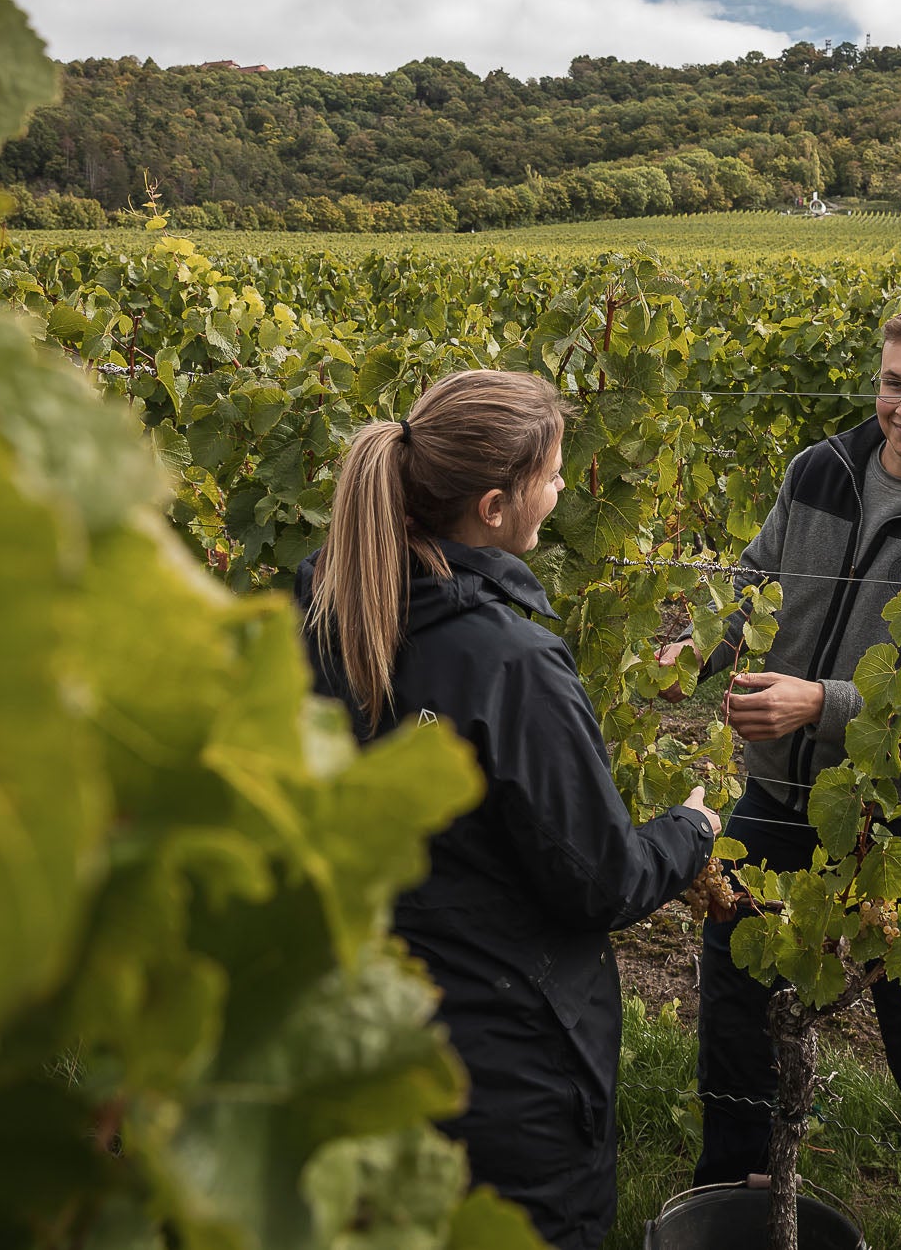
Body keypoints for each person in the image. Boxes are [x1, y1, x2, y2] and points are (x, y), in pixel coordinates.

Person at [659, 300, 901, 1250]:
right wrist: (696, 645)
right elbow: (755, 580)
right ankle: (734, 1216)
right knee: (737, 1029)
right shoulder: (819, 470)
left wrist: (818, 702)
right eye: (891, 382)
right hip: (772, 802)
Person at [296, 368, 719, 1250]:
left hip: (355, 1038)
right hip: (501, 1079)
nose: (564, 487)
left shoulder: (317, 612)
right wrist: (692, 828)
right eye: (555, 473)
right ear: (494, 506)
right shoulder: (511, 664)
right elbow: (600, 882)